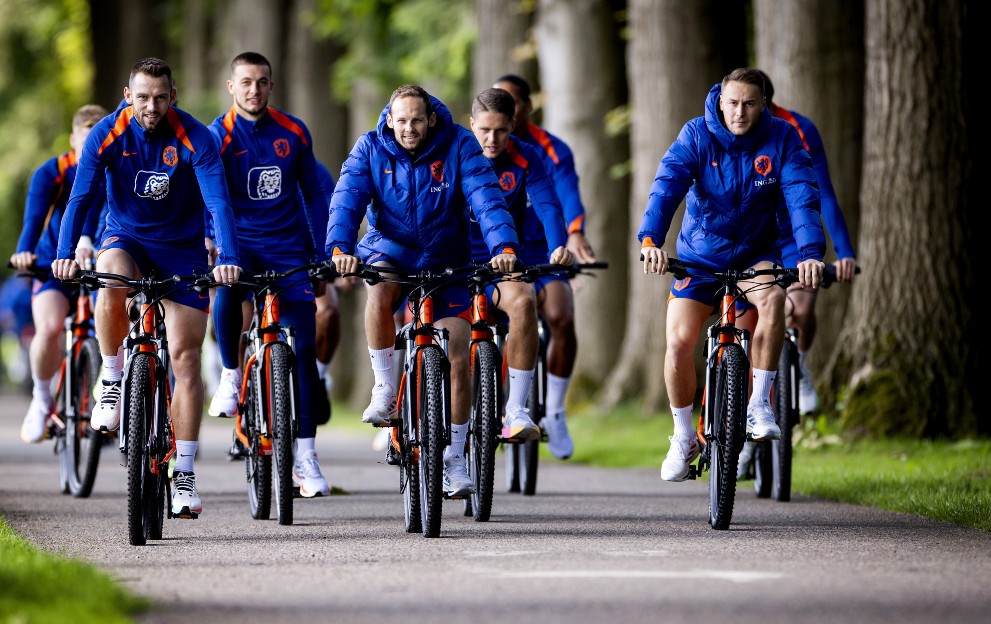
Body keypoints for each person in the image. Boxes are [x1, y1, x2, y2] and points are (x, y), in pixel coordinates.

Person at [52, 57, 242, 518]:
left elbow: (218, 201)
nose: (151, 107)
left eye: (160, 98)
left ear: (173, 96)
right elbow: (80, 197)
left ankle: (185, 473)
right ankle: (112, 377)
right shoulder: (106, 134)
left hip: (181, 249)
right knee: (110, 276)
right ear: (127, 96)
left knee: (186, 357)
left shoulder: (196, 137)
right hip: (127, 238)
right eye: (142, 98)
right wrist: (64, 253)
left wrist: (229, 257)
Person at [326, 84, 520, 497]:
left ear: (431, 119)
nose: (409, 128)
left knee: (459, 355)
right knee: (378, 292)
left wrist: (504, 247)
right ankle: (384, 387)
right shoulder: (369, 148)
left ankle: (454, 459)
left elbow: (486, 197)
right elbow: (347, 199)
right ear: (389, 120)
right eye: (402, 121)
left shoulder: (459, 144)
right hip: (390, 249)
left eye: (417, 120)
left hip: (447, 256)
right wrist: (341, 249)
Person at [637, 67, 826, 482]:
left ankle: (759, 404)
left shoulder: (783, 137)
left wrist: (810, 254)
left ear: (763, 105)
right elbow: (666, 187)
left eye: (750, 104)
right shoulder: (696, 135)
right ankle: (682, 436)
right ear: (720, 102)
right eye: (733, 103)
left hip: (755, 256)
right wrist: (651, 240)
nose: (740, 113)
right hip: (700, 258)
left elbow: (802, 197)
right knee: (678, 341)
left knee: (774, 299)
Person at [205, 52, 332, 498]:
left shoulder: (293, 131)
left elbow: (314, 194)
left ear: (271, 86)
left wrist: (323, 253)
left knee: (305, 349)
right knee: (227, 286)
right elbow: (206, 196)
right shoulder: (215, 137)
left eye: (261, 81)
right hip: (238, 247)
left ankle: (306, 456)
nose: (254, 89)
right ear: (231, 86)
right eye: (245, 82)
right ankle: (230, 374)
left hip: (288, 249)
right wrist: (211, 242)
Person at [492, 74, 596, 460]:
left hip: (543, 251)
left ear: (527, 107)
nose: (504, 109)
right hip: (497, 252)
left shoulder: (550, 149)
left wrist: (574, 233)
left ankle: (553, 410)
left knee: (561, 314)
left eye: (511, 102)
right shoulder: (478, 149)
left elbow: (565, 196)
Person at [467, 87, 574, 441]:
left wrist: (558, 246)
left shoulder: (528, 156)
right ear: (471, 124)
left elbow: (548, 205)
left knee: (525, 301)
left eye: (500, 130)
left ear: (513, 125)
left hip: (504, 262)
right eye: (484, 130)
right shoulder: (453, 153)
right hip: (455, 263)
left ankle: (516, 409)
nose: (492, 139)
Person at [759, 70, 858, 414]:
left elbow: (823, 193)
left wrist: (844, 252)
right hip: (751, 237)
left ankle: (798, 368)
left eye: (754, 105)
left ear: (767, 103)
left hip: (792, 235)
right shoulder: (728, 130)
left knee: (800, 309)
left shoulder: (798, 129)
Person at [10, 104, 108, 443]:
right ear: (73, 139)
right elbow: (34, 218)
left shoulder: (115, 169)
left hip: (99, 261)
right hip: (54, 262)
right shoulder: (51, 172)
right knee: (49, 327)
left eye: (98, 140)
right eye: (85, 140)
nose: (91, 148)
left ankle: (109, 391)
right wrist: (25, 251)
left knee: (113, 322)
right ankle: (41, 398)